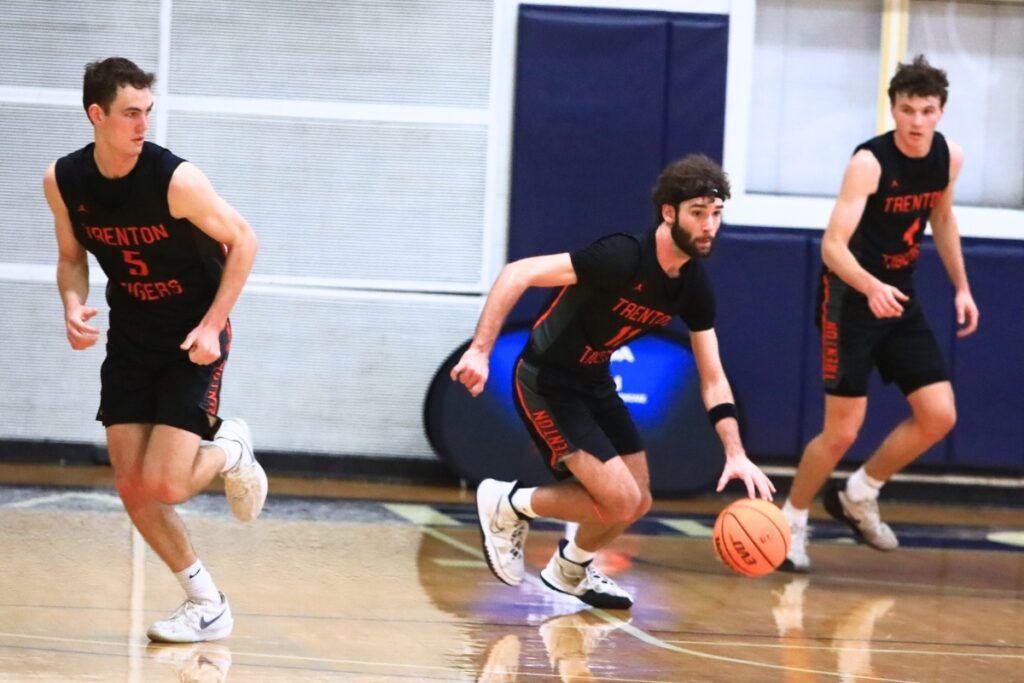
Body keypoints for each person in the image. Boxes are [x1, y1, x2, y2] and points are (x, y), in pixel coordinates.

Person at [451, 154, 775, 609]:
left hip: (594, 382)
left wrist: (735, 451)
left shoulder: (694, 286)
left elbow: (714, 378)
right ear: (669, 212)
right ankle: (508, 503)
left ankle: (570, 570)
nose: (709, 226)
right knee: (619, 500)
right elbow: (517, 273)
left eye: (716, 214)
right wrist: (481, 351)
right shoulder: (622, 256)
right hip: (547, 380)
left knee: (637, 501)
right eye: (698, 213)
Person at [43, 57, 267, 641]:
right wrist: (72, 304)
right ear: (98, 115)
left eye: (148, 112)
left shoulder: (176, 180)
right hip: (132, 335)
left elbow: (244, 241)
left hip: (193, 335)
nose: (143, 124)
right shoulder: (64, 180)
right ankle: (206, 602)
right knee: (130, 484)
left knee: (166, 484)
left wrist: (215, 323)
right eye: (130, 113)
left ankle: (233, 449)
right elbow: (72, 259)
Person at [781, 55, 979, 572]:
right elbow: (831, 246)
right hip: (851, 298)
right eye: (907, 109)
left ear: (941, 112)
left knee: (940, 414)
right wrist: (869, 286)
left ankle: (859, 494)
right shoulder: (868, 163)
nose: (916, 121)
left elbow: (942, 218)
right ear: (892, 109)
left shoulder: (949, 158)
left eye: (927, 110)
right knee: (842, 431)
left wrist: (962, 287)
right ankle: (791, 523)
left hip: (900, 296)